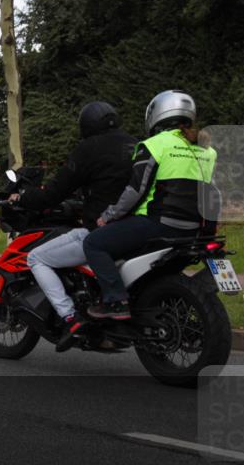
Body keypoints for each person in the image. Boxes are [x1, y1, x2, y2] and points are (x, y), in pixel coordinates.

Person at [9, 102, 136, 351]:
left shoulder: (89, 148)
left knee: (36, 258)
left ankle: (70, 318)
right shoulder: (136, 144)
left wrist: (24, 198)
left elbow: (55, 192)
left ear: (86, 125)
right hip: (137, 227)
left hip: (102, 229)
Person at [83, 90, 217, 319]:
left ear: (158, 114)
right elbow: (213, 194)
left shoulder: (154, 145)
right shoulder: (207, 150)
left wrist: (108, 215)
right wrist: (210, 230)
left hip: (157, 224)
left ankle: (116, 301)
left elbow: (136, 190)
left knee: (94, 243)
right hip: (193, 230)